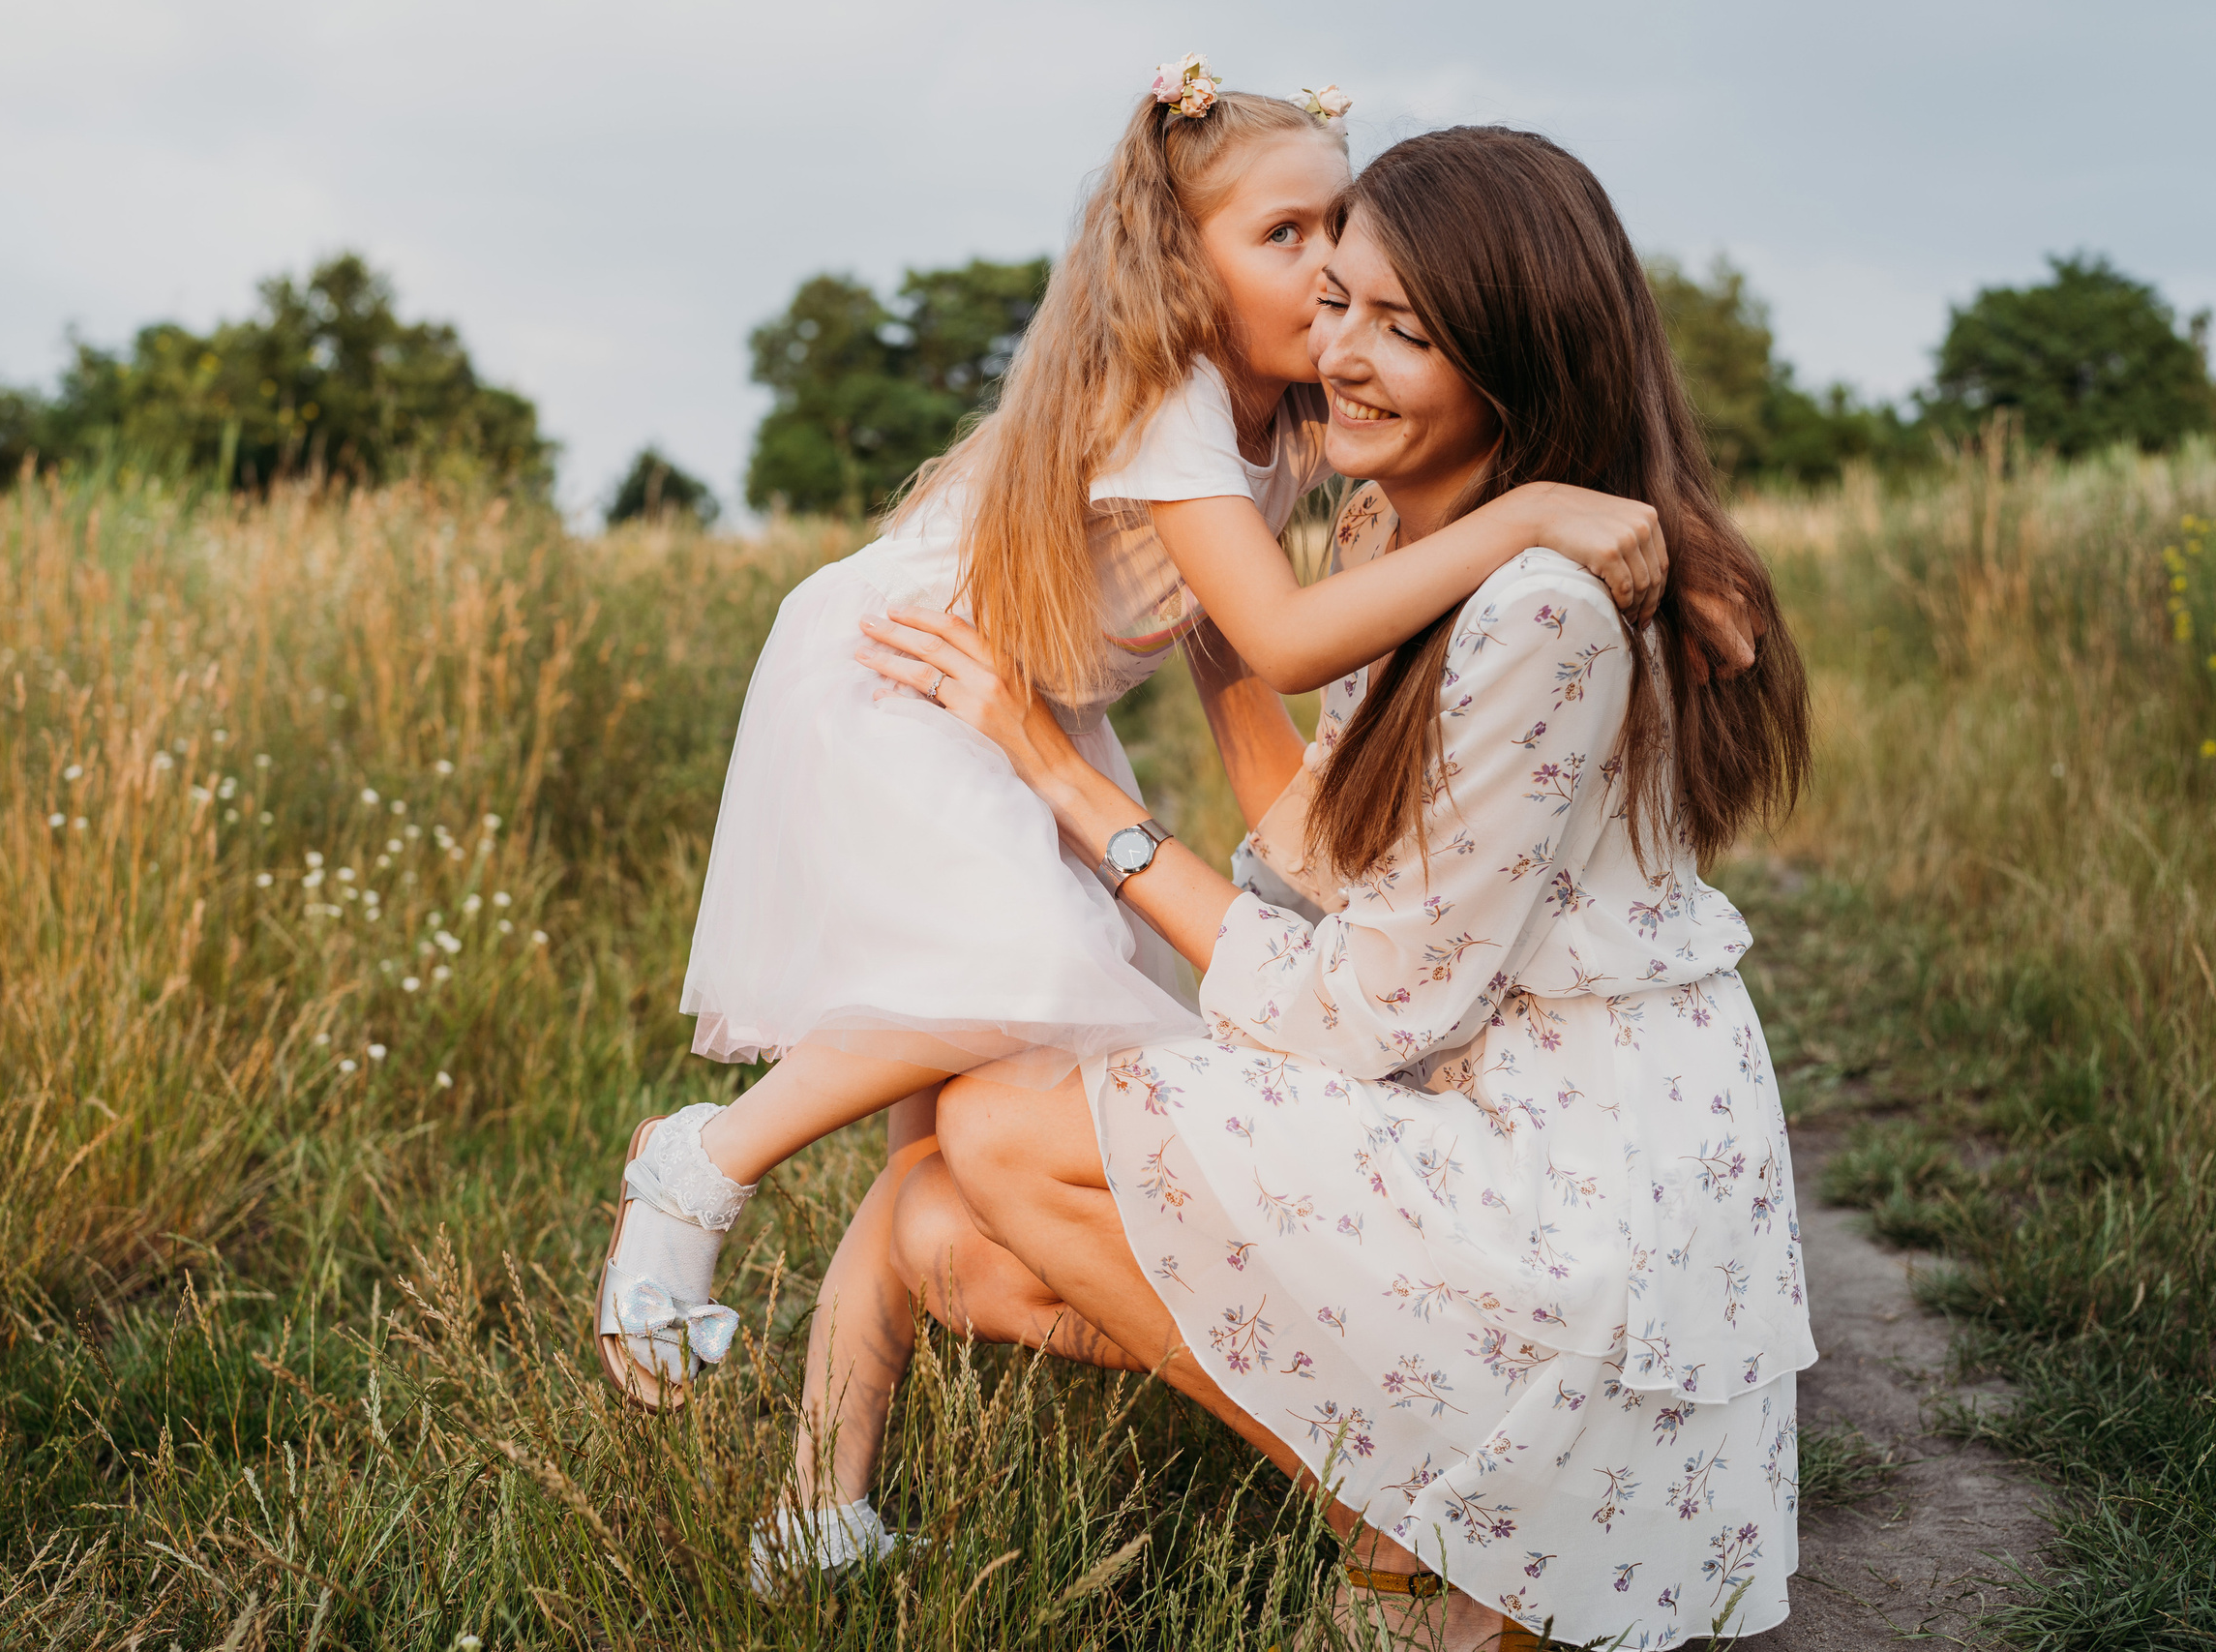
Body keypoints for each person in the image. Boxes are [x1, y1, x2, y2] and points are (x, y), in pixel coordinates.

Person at [597, 56, 1693, 1495]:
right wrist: (1542, 511)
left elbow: (1255, 689)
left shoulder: (1290, 420)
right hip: (909, 682)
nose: (1325, 277)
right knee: (1020, 981)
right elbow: (1290, 641)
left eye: (1337, 232)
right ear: (1184, 265)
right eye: (1281, 238)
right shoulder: (1175, 399)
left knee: (940, 1141)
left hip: (1023, 704)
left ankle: (821, 1502)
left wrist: (1691, 575)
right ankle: (704, 1157)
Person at [865, 125, 1816, 1649]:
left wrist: (1059, 776)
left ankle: (1427, 1542)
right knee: (939, 1237)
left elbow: (1361, 1010)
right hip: (1457, 1090)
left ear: (1519, 359)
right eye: (1337, 307)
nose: (1343, 356)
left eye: (1405, 329)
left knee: (990, 1130)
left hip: (1568, 1173)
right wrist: (1210, 626)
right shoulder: (1398, 531)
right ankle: (1423, 1500)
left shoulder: (1546, 610)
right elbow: (1322, 853)